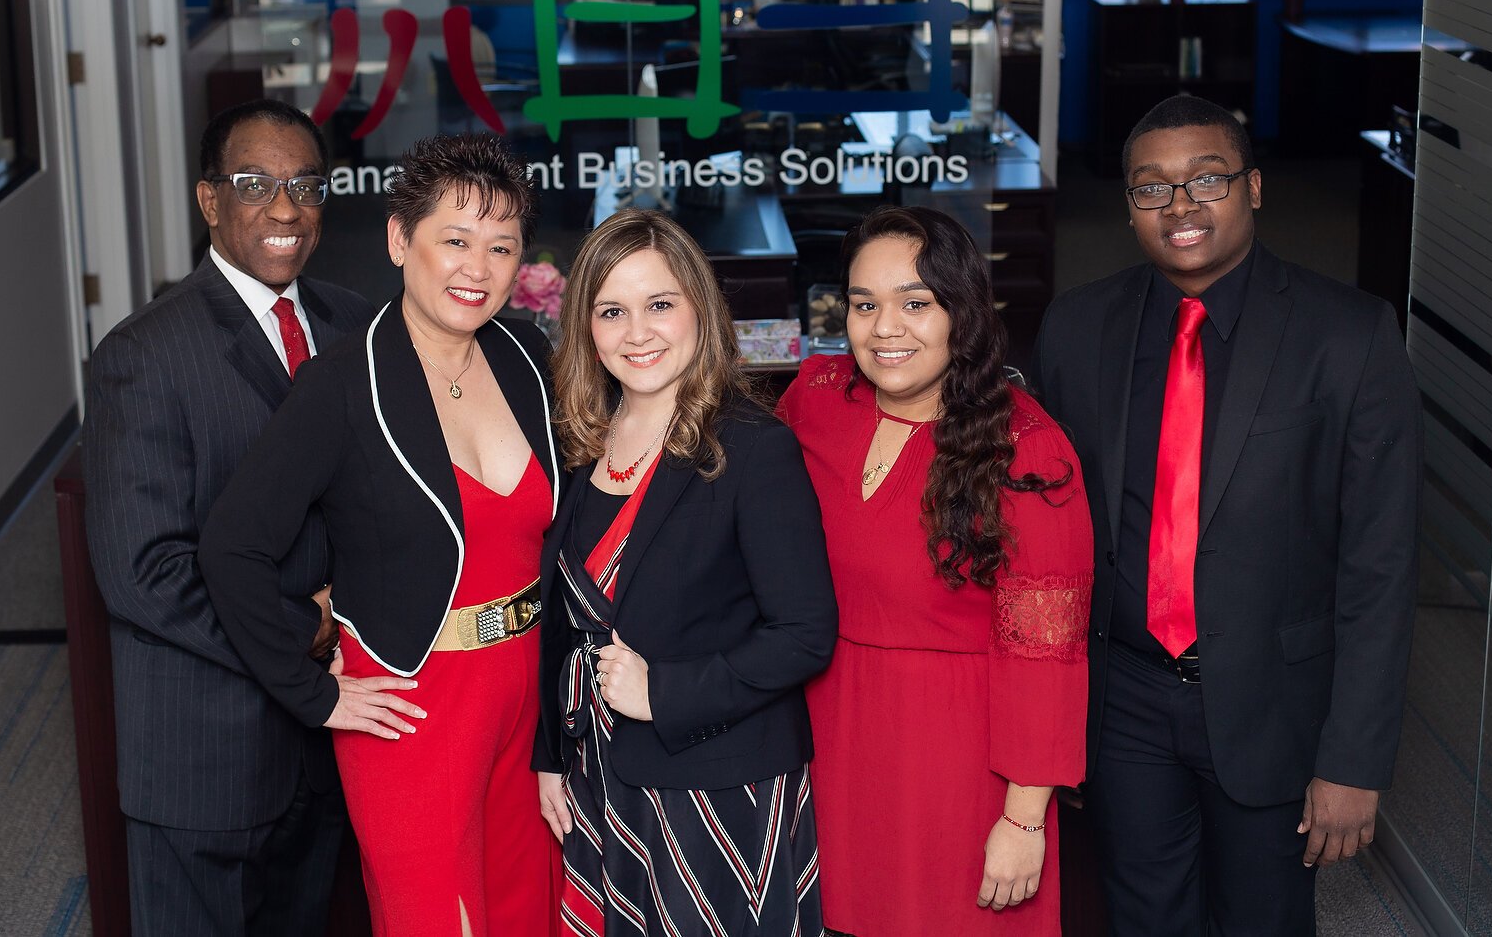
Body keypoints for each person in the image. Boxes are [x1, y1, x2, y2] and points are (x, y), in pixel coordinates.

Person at [1029, 94, 1422, 935]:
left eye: (1206, 179)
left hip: (1272, 703)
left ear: (1253, 188)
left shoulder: (1349, 336)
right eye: (1151, 187)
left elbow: (1380, 567)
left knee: (1263, 919)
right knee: (1140, 915)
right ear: (1128, 206)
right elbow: (1048, 535)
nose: (1179, 206)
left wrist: (1353, 760)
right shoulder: (1074, 327)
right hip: (1123, 697)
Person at [197, 133, 562, 935]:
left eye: (501, 247)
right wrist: (313, 693)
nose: (478, 267)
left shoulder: (526, 354)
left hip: (527, 697)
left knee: (529, 914)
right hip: (414, 710)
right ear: (401, 241)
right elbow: (232, 546)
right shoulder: (339, 382)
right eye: (454, 240)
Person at [82, 98, 376, 934]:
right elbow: (144, 574)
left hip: (326, 743)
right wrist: (305, 630)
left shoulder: (356, 325)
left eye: (306, 185)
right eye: (256, 184)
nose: (286, 209)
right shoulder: (144, 357)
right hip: (204, 753)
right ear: (210, 200)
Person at [776, 205, 1092, 935]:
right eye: (864, 304)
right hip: (827, 734)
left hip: (957, 761)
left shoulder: (1028, 451)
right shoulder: (817, 400)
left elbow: (1047, 653)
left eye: (916, 302)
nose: (886, 328)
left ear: (963, 311)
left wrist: (1025, 819)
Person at [532, 208, 837, 936]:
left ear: (700, 307)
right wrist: (552, 753)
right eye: (612, 310)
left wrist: (662, 691)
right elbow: (564, 624)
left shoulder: (753, 447)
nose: (637, 332)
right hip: (600, 772)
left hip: (717, 787)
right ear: (585, 327)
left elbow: (805, 633)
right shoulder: (582, 441)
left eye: (660, 304)